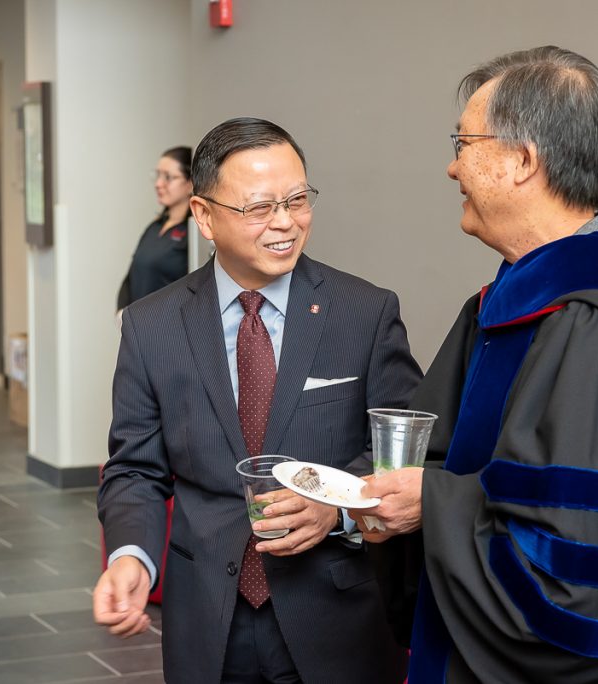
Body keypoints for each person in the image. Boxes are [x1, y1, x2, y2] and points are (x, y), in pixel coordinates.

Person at [356, 46, 598, 683]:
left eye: (463, 143)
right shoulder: (507, 305)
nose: (451, 166)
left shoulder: (595, 325)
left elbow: (583, 577)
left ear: (521, 161)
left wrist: (432, 505)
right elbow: (439, 454)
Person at [93, 117, 420, 683]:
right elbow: (135, 469)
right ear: (204, 215)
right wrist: (130, 556)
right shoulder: (152, 327)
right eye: (260, 207)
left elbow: (401, 455)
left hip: (337, 614)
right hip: (207, 619)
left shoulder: (363, 313)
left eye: (297, 200)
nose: (286, 223)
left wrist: (339, 507)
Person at [116, 146, 194, 310]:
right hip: (137, 327)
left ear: (189, 184)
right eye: (157, 175)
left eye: (168, 177)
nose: (159, 184)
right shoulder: (154, 227)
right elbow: (132, 274)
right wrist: (121, 311)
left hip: (168, 328)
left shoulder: (194, 234)